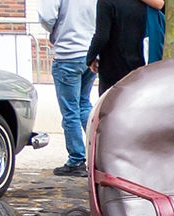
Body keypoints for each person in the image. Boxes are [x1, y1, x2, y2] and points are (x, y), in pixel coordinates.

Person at [39, 0, 96, 177]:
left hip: (67, 53)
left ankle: (76, 160)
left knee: (70, 110)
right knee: (84, 105)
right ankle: (97, 152)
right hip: (89, 53)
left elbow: (46, 16)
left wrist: (55, 32)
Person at [88, 0, 149, 95]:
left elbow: (102, 36)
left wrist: (91, 57)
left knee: (110, 104)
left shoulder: (106, 2)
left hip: (112, 65)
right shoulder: (143, 3)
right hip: (138, 62)